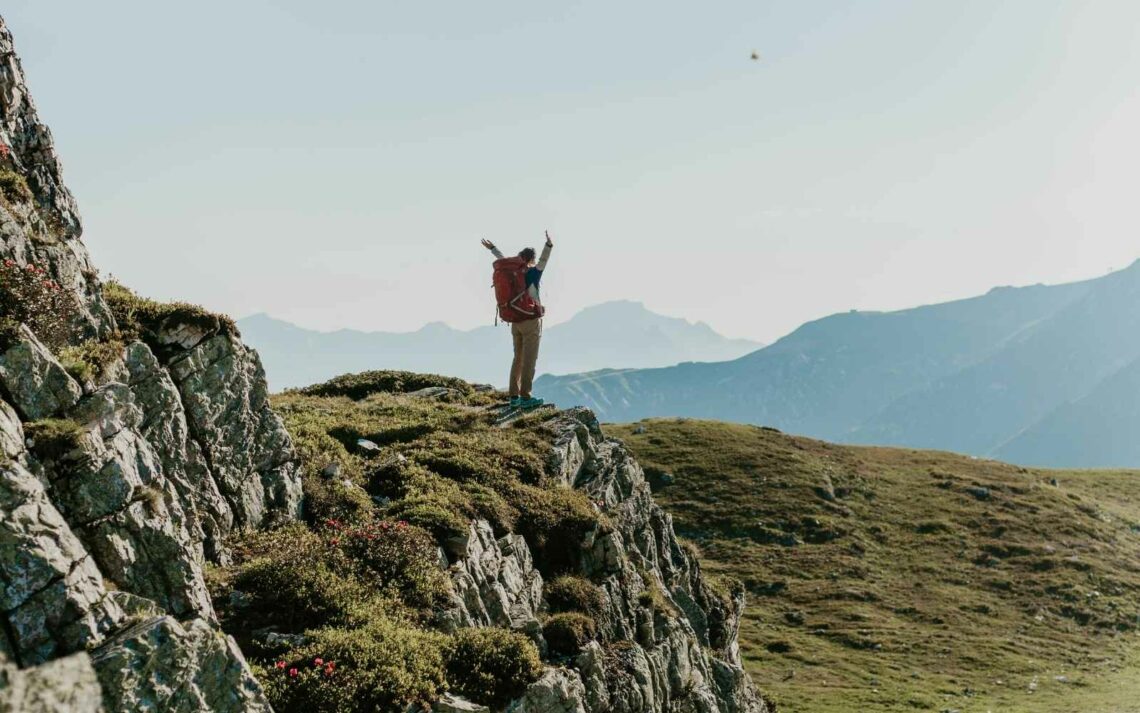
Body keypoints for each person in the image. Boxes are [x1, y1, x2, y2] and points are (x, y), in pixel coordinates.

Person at [481, 231, 553, 408]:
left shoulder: (511, 271)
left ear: (519, 258)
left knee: (517, 358)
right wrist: (548, 245)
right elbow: (544, 261)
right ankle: (526, 398)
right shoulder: (533, 273)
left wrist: (493, 248)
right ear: (531, 260)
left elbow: (502, 258)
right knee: (530, 359)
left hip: (514, 321)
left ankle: (513, 397)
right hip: (530, 321)